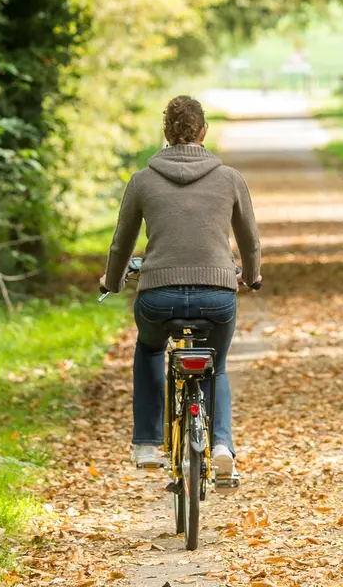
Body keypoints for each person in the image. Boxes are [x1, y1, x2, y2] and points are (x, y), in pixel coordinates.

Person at [100, 95, 261, 487]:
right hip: (217, 295)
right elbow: (250, 241)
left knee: (151, 349)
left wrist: (111, 280)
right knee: (216, 366)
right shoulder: (229, 178)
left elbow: (122, 244)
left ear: (166, 135)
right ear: (203, 132)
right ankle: (222, 445)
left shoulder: (141, 181)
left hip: (158, 296)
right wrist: (252, 277)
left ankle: (147, 443)